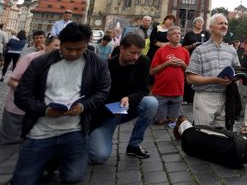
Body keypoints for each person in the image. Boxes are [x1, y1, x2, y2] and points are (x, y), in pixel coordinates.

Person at [11, 23, 110, 184]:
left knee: (74, 176)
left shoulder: (97, 63)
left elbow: (103, 91)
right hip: (40, 132)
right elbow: (22, 95)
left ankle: (52, 172)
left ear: (87, 44)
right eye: (68, 48)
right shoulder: (41, 63)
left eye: (79, 49)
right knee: (23, 180)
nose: (73, 53)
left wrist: (84, 106)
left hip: (75, 131)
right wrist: (45, 110)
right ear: (60, 44)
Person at [89, 33, 159, 163]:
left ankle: (134, 145)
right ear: (122, 48)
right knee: (98, 156)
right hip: (107, 113)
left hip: (128, 107)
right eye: (132, 53)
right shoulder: (106, 66)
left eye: (138, 53)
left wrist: (129, 98)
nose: (135, 57)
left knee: (151, 102)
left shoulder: (143, 62)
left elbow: (143, 89)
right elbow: (97, 97)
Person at [0, 36, 60, 145]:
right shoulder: (31, 58)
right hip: (17, 109)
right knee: (9, 144)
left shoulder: (60, 63)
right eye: (56, 45)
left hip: (38, 111)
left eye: (61, 46)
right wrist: (29, 94)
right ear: (46, 46)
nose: (59, 48)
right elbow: (11, 81)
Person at [186, 13, 241, 129]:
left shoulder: (231, 50)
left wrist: (237, 77)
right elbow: (190, 78)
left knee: (222, 137)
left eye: (226, 24)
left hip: (226, 97)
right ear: (211, 27)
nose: (224, 26)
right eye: (220, 23)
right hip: (206, 97)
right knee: (203, 135)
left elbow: (238, 71)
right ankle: (183, 127)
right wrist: (215, 80)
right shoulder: (199, 50)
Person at [150, 26, 189, 125]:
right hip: (161, 92)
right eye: (174, 33)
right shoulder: (161, 51)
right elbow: (152, 71)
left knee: (173, 120)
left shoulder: (185, 51)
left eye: (179, 33)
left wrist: (183, 64)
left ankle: (174, 114)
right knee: (160, 121)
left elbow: (189, 73)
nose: (177, 35)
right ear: (168, 37)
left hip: (177, 92)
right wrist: (167, 63)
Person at [181, 16, 210, 104]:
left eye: (202, 22)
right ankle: (186, 98)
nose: (200, 23)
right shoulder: (189, 34)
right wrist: (192, 46)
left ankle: (196, 98)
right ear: (194, 23)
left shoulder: (206, 33)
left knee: (200, 77)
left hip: (203, 58)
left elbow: (210, 45)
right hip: (191, 57)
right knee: (190, 76)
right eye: (198, 21)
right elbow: (183, 47)